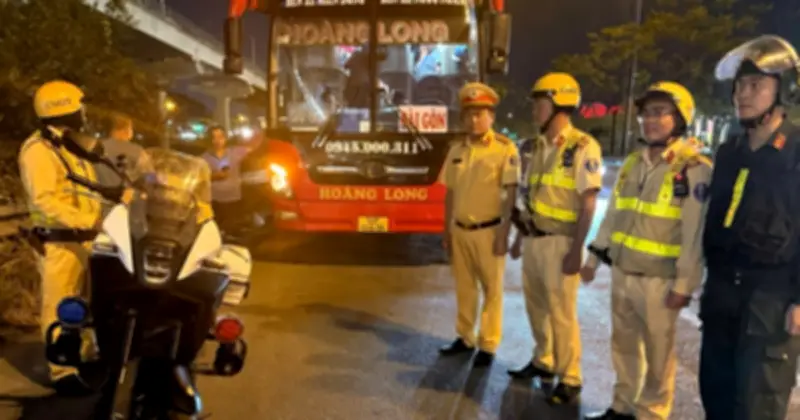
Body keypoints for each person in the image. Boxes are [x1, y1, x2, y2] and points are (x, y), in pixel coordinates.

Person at [581, 82, 712, 420]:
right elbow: (613, 215)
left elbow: (694, 234)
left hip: (660, 281)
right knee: (623, 346)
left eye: (659, 112)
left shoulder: (692, 167)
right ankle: (623, 405)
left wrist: (684, 285)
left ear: (679, 118)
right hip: (623, 273)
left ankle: (652, 412)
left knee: (658, 354)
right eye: (645, 114)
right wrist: (593, 259)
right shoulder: (632, 163)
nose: (650, 120)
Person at [700, 34, 800, 420]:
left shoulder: (796, 152)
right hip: (723, 294)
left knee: (758, 404)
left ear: (783, 90)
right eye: (739, 86)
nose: (742, 94)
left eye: (755, 85)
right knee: (717, 395)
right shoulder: (730, 152)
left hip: (770, 301)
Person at [18, 80, 133, 395]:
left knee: (83, 302)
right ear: (63, 109)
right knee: (60, 305)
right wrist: (93, 220)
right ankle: (62, 371)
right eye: (79, 106)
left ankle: (83, 354)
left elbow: (80, 189)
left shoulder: (67, 145)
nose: (83, 112)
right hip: (59, 241)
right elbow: (45, 199)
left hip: (84, 239)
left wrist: (114, 200)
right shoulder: (38, 150)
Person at [507, 72, 603, 405]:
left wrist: (577, 250)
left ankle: (571, 376)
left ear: (561, 104)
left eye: (541, 103)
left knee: (561, 312)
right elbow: (529, 195)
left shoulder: (583, 146)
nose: (535, 110)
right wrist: (519, 238)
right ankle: (543, 360)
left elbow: (588, 203)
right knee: (535, 306)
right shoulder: (535, 147)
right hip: (533, 240)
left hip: (561, 243)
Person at [439, 82, 520, 367]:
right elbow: (450, 192)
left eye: (480, 114)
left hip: (489, 231)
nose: (474, 120)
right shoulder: (456, 150)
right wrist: (446, 229)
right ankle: (465, 337)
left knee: (492, 290)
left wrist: (504, 233)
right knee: (464, 288)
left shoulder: (504, 149)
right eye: (469, 114)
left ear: (491, 116)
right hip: (460, 230)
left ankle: (488, 343)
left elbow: (511, 194)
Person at [201, 125, 254, 231]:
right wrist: (214, 176)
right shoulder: (204, 158)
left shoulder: (235, 152)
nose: (217, 141)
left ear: (225, 138)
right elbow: (200, 178)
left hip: (233, 200)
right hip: (215, 201)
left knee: (232, 230)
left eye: (220, 137)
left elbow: (254, 149)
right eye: (214, 137)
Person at [95, 112, 153, 188]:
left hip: (96, 192)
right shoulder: (137, 151)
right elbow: (150, 177)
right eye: (131, 128)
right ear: (126, 130)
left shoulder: (98, 146)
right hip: (124, 193)